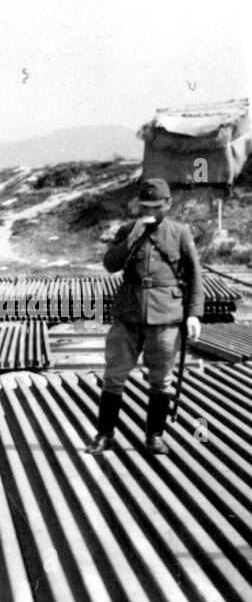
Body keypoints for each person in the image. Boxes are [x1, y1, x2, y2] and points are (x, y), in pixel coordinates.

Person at [88, 178, 203, 455]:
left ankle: (154, 435)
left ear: (168, 204)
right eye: (145, 206)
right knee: (114, 376)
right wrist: (131, 238)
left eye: (157, 206)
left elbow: (195, 275)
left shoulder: (180, 232)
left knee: (161, 380)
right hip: (128, 314)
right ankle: (104, 435)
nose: (151, 211)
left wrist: (194, 315)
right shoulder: (128, 230)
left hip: (166, 316)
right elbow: (110, 265)